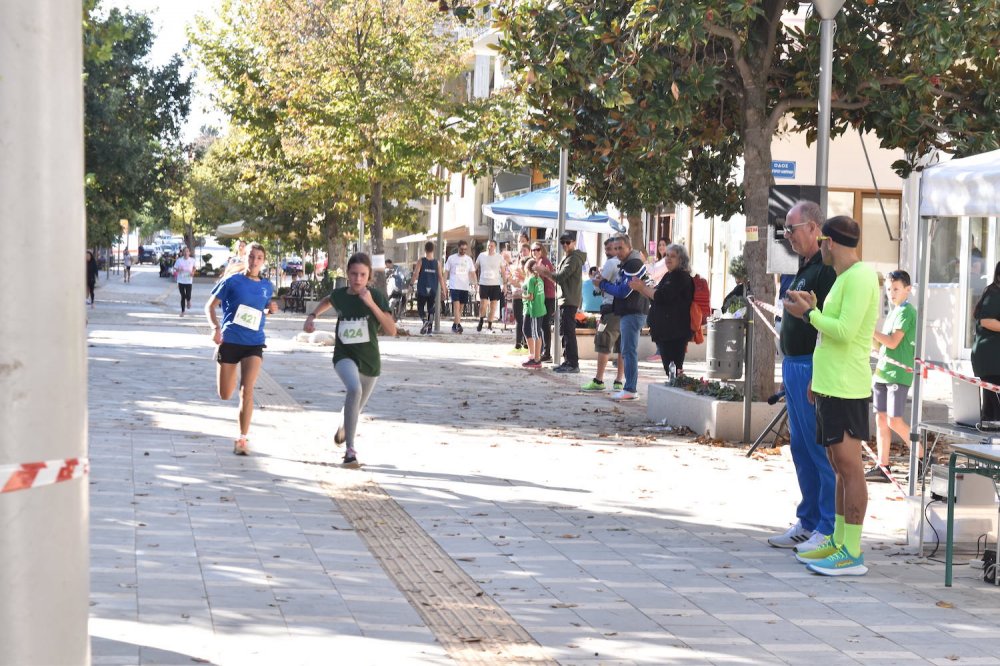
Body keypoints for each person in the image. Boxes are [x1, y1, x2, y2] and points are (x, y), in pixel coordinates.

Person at [784, 215, 880, 576]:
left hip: (847, 387)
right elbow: (831, 334)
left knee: (851, 468)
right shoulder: (844, 278)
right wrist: (817, 380)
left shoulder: (860, 277)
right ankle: (838, 541)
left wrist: (810, 313)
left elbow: (844, 331)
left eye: (822, 240)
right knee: (838, 467)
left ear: (830, 242)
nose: (819, 246)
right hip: (831, 384)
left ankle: (852, 551)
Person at [766, 202, 838, 555]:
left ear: (813, 228)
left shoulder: (827, 269)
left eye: (791, 229)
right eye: (785, 231)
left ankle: (827, 526)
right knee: (799, 447)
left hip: (812, 365)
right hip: (794, 364)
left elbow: (828, 321)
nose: (788, 236)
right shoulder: (805, 266)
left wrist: (818, 372)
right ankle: (808, 520)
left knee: (818, 448)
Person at [303, 253, 396, 468]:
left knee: (356, 406)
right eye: (353, 274)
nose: (357, 279)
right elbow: (329, 299)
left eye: (362, 275)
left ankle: (344, 428)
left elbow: (391, 330)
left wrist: (371, 304)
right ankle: (350, 451)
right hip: (344, 356)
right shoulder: (340, 295)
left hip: (370, 362)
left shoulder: (377, 296)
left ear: (369, 276)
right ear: (347, 274)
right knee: (354, 390)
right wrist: (312, 316)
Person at [204, 242, 278, 456]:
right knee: (226, 394)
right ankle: (227, 375)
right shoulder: (231, 281)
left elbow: (261, 311)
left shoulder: (267, 286)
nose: (255, 261)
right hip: (230, 341)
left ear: (264, 261)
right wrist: (215, 328)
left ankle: (242, 439)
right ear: (244, 257)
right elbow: (210, 306)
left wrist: (270, 310)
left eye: (259, 258)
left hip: (254, 342)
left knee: (247, 389)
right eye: (251, 256)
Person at [868, 270, 918, 482]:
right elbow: (881, 345)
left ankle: (923, 458)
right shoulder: (893, 311)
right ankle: (883, 465)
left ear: (908, 289)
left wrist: (869, 329)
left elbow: (892, 342)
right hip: (882, 372)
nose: (891, 293)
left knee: (894, 421)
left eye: (896, 289)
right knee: (881, 420)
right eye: (888, 289)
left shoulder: (907, 312)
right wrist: (871, 339)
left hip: (898, 374)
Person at [629, 242, 693, 381]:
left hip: (675, 331)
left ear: (681, 260)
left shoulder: (680, 276)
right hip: (665, 331)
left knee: (674, 367)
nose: (668, 259)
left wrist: (642, 288)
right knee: (670, 368)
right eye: (667, 256)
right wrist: (642, 287)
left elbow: (661, 296)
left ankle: (677, 392)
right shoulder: (668, 275)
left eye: (673, 256)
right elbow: (655, 297)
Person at [536, 232, 587, 373]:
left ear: (574, 242)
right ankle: (568, 361)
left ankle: (572, 363)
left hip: (569, 299)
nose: (564, 245)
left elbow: (561, 277)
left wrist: (545, 272)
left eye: (567, 242)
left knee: (569, 332)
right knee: (565, 331)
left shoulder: (574, 259)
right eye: (562, 242)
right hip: (566, 298)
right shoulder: (569, 257)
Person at [582, 238, 624, 392]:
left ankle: (599, 380)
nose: (608, 252)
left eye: (611, 248)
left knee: (603, 343)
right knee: (622, 347)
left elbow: (598, 282)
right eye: (606, 249)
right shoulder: (628, 263)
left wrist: (596, 278)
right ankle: (619, 380)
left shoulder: (611, 263)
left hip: (611, 308)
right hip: (624, 308)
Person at [972, 261, 1000, 423]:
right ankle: (989, 445)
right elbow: (986, 320)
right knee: (993, 412)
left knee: (993, 409)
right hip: (992, 361)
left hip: (992, 360)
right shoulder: (995, 293)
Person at [412, 241, 446, 335]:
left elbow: (415, 274)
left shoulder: (421, 261)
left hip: (422, 288)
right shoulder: (437, 263)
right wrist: (444, 290)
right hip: (433, 289)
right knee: (431, 309)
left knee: (420, 307)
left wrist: (411, 284)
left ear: (425, 249)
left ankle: (424, 321)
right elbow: (440, 277)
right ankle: (430, 329)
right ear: (433, 250)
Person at [444, 240, 476, 334]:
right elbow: (446, 272)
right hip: (454, 286)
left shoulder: (469, 259)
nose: (463, 251)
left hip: (464, 286)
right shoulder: (451, 258)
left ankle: (455, 324)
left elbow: (472, 272)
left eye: (465, 249)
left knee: (460, 309)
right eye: (462, 249)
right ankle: (458, 325)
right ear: (458, 248)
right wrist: (444, 283)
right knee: (456, 307)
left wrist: (475, 283)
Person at [532, 243, 557, 363]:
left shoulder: (544, 262)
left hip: (547, 296)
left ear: (542, 250)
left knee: (545, 324)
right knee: (543, 324)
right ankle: (544, 351)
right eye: (533, 250)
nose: (535, 252)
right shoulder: (539, 262)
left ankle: (547, 353)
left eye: (537, 249)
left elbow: (544, 279)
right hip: (544, 296)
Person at [520, 258, 546, 368]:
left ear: (527, 269)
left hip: (534, 309)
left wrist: (521, 295)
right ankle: (535, 357)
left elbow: (531, 297)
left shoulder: (531, 280)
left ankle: (536, 358)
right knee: (536, 332)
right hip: (540, 308)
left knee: (536, 333)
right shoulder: (539, 279)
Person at [475, 240, 505, 331]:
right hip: (484, 283)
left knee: (493, 305)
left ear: (495, 247)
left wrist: (505, 284)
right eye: (488, 245)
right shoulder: (481, 256)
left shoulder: (499, 257)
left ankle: (490, 324)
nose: (490, 247)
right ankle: (481, 320)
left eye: (491, 246)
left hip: (495, 284)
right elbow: (475, 267)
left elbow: (503, 271)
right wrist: (474, 281)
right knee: (483, 304)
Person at [508, 243, 531, 352]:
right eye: (521, 251)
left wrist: (521, 278)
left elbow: (529, 280)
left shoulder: (531, 264)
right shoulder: (514, 265)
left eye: (525, 250)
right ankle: (518, 344)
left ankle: (527, 344)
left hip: (528, 296)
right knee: (519, 320)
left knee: (527, 319)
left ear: (529, 251)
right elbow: (512, 280)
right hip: (517, 295)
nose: (522, 253)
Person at [173, 246, 197, 317]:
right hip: (181, 280)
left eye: (187, 251)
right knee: (183, 296)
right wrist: (178, 270)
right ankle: (182, 311)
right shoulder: (179, 260)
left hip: (189, 280)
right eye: (185, 251)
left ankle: (188, 301)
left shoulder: (192, 260)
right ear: (182, 253)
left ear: (189, 252)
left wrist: (193, 272)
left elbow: (195, 268)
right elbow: (175, 268)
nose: (186, 253)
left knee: (188, 295)